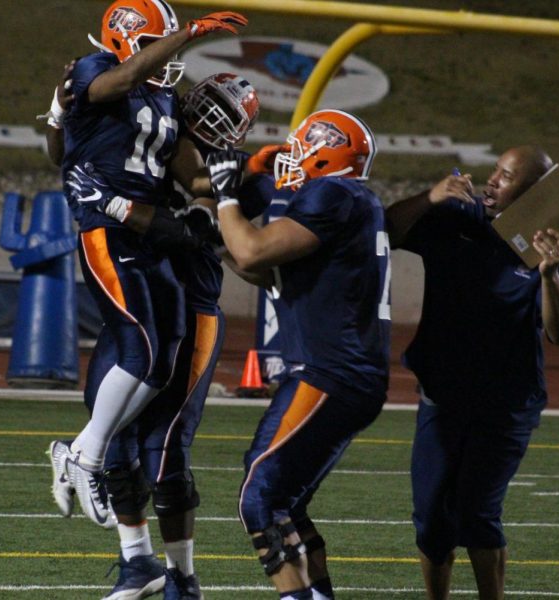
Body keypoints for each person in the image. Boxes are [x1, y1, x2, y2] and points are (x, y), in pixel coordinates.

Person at [45, 2, 248, 598]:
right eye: (156, 44)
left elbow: (200, 188)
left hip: (177, 276)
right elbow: (87, 129)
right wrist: (186, 35)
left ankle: (175, 575)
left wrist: (240, 174)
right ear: (133, 42)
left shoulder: (165, 107)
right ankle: (90, 470)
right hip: (125, 239)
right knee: (135, 373)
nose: (210, 123)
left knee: (163, 429)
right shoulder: (99, 71)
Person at [205, 109, 391, 600]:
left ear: (328, 151)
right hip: (344, 373)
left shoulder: (331, 194)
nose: (292, 153)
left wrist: (227, 198)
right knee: (284, 500)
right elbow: (271, 273)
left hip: (329, 372)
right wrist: (218, 242)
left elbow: (254, 252)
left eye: (304, 143)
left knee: (259, 497)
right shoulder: (354, 199)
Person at [385, 145, 559, 600]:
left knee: (477, 513)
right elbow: (387, 229)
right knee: (432, 516)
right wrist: (430, 197)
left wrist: (550, 275)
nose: (492, 180)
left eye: (507, 175)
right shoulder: (459, 219)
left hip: (506, 403)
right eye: (496, 170)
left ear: (535, 193)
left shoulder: (552, 248)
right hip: (444, 394)